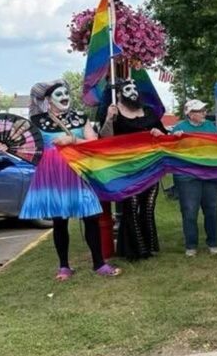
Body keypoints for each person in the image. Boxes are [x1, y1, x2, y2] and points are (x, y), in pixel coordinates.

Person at [20, 80, 121, 280]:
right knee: (60, 221)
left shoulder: (80, 118)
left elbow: (93, 143)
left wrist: (72, 140)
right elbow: (27, 145)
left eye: (66, 93)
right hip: (53, 175)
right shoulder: (37, 120)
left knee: (91, 218)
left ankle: (99, 263)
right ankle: (64, 267)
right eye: (59, 94)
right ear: (48, 100)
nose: (64, 96)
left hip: (79, 172)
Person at [99, 80, 168, 261]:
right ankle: (135, 249)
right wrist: (108, 118)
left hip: (150, 167)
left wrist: (159, 133)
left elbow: (164, 136)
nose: (133, 92)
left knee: (148, 207)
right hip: (127, 169)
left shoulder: (149, 112)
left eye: (135, 88)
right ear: (120, 94)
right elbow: (104, 139)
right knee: (131, 206)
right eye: (128, 89)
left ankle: (149, 246)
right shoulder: (114, 112)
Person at [171, 99, 217, 257]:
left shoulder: (210, 126)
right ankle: (191, 245)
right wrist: (175, 139)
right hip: (187, 177)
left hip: (210, 174)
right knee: (190, 211)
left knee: (212, 210)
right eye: (200, 111)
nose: (204, 113)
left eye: (203, 110)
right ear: (190, 114)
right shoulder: (179, 128)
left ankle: (213, 243)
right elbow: (169, 149)